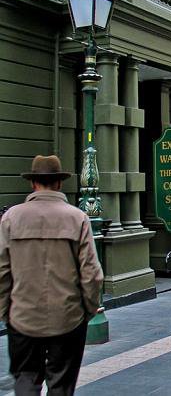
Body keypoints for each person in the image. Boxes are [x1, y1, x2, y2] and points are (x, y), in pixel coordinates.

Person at [0, 155, 104, 395]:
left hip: (22, 316)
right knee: (61, 384)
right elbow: (91, 274)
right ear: (59, 183)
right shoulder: (77, 218)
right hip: (67, 318)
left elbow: (2, 272)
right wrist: (86, 311)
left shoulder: (11, 218)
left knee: (26, 379)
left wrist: (6, 312)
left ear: (33, 183)